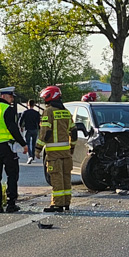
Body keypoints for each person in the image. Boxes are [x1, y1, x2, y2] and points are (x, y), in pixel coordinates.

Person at [36, 85, 78, 213]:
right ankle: (66, 203)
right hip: (66, 153)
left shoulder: (48, 111)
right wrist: (72, 147)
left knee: (56, 178)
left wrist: (38, 148)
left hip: (54, 154)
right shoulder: (66, 112)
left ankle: (57, 204)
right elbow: (74, 132)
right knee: (66, 178)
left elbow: (45, 132)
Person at [19, 99, 41, 164]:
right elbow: (39, 122)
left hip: (27, 129)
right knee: (34, 144)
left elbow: (20, 121)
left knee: (27, 143)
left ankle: (30, 156)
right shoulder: (36, 113)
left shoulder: (25, 112)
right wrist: (39, 129)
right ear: (34, 105)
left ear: (27, 104)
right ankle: (33, 157)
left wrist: (21, 127)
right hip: (34, 130)